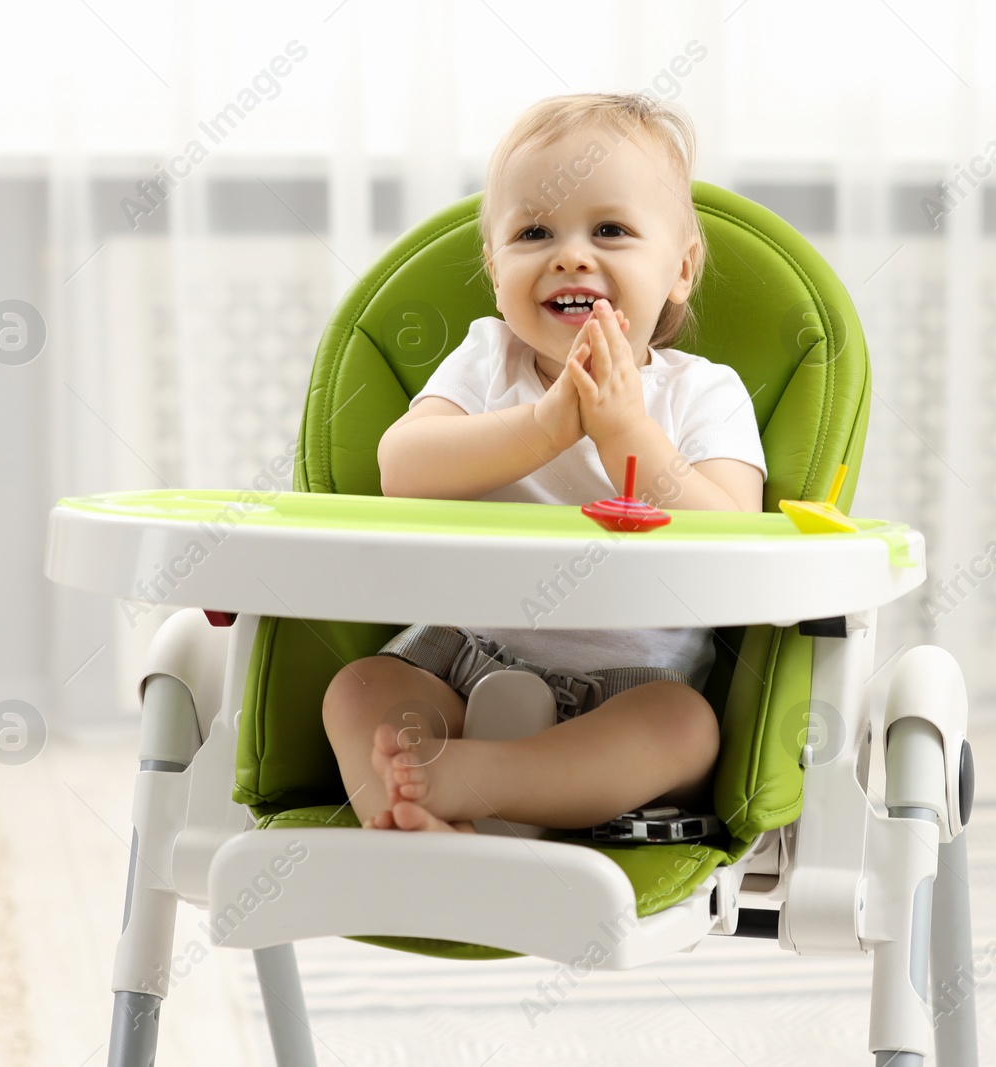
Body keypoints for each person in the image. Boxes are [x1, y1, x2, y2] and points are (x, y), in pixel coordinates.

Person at [321, 92, 766, 834]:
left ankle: (472, 781)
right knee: (358, 687)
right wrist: (543, 425)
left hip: (630, 690)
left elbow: (734, 536)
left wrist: (627, 432)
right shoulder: (486, 360)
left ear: (680, 268)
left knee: (686, 728)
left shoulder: (702, 392)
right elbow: (403, 466)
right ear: (496, 265)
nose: (570, 254)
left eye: (612, 229)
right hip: (462, 657)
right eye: (534, 231)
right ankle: (408, 824)